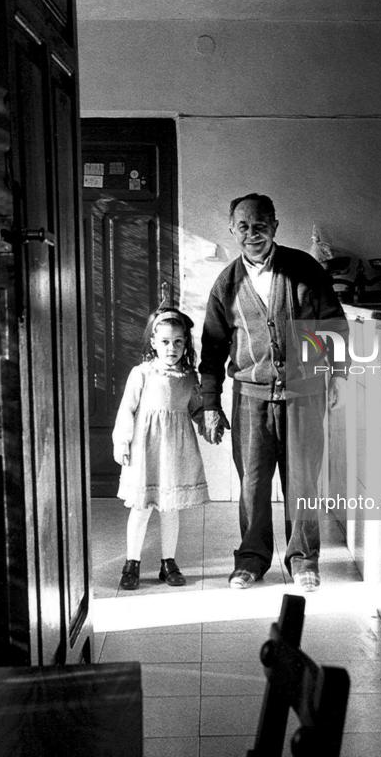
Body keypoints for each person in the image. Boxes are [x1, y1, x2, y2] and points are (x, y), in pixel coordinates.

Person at [199, 193, 348, 592]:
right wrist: (210, 404)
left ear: (275, 227)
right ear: (233, 230)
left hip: (304, 394)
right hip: (250, 396)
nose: (253, 234)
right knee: (252, 483)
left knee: (303, 480)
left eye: (260, 225)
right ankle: (251, 560)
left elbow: (334, 324)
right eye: (244, 227)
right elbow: (211, 349)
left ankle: (302, 560)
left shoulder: (304, 269)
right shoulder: (226, 284)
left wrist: (334, 377)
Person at [113, 307, 209, 590]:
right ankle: (132, 563)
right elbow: (126, 410)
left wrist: (208, 422)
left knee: (170, 508)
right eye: (165, 341)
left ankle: (169, 562)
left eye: (178, 342)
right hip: (146, 449)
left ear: (185, 344)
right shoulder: (142, 373)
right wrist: (122, 442)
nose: (172, 348)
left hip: (176, 451)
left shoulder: (189, 377)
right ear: (153, 342)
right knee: (141, 508)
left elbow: (196, 409)